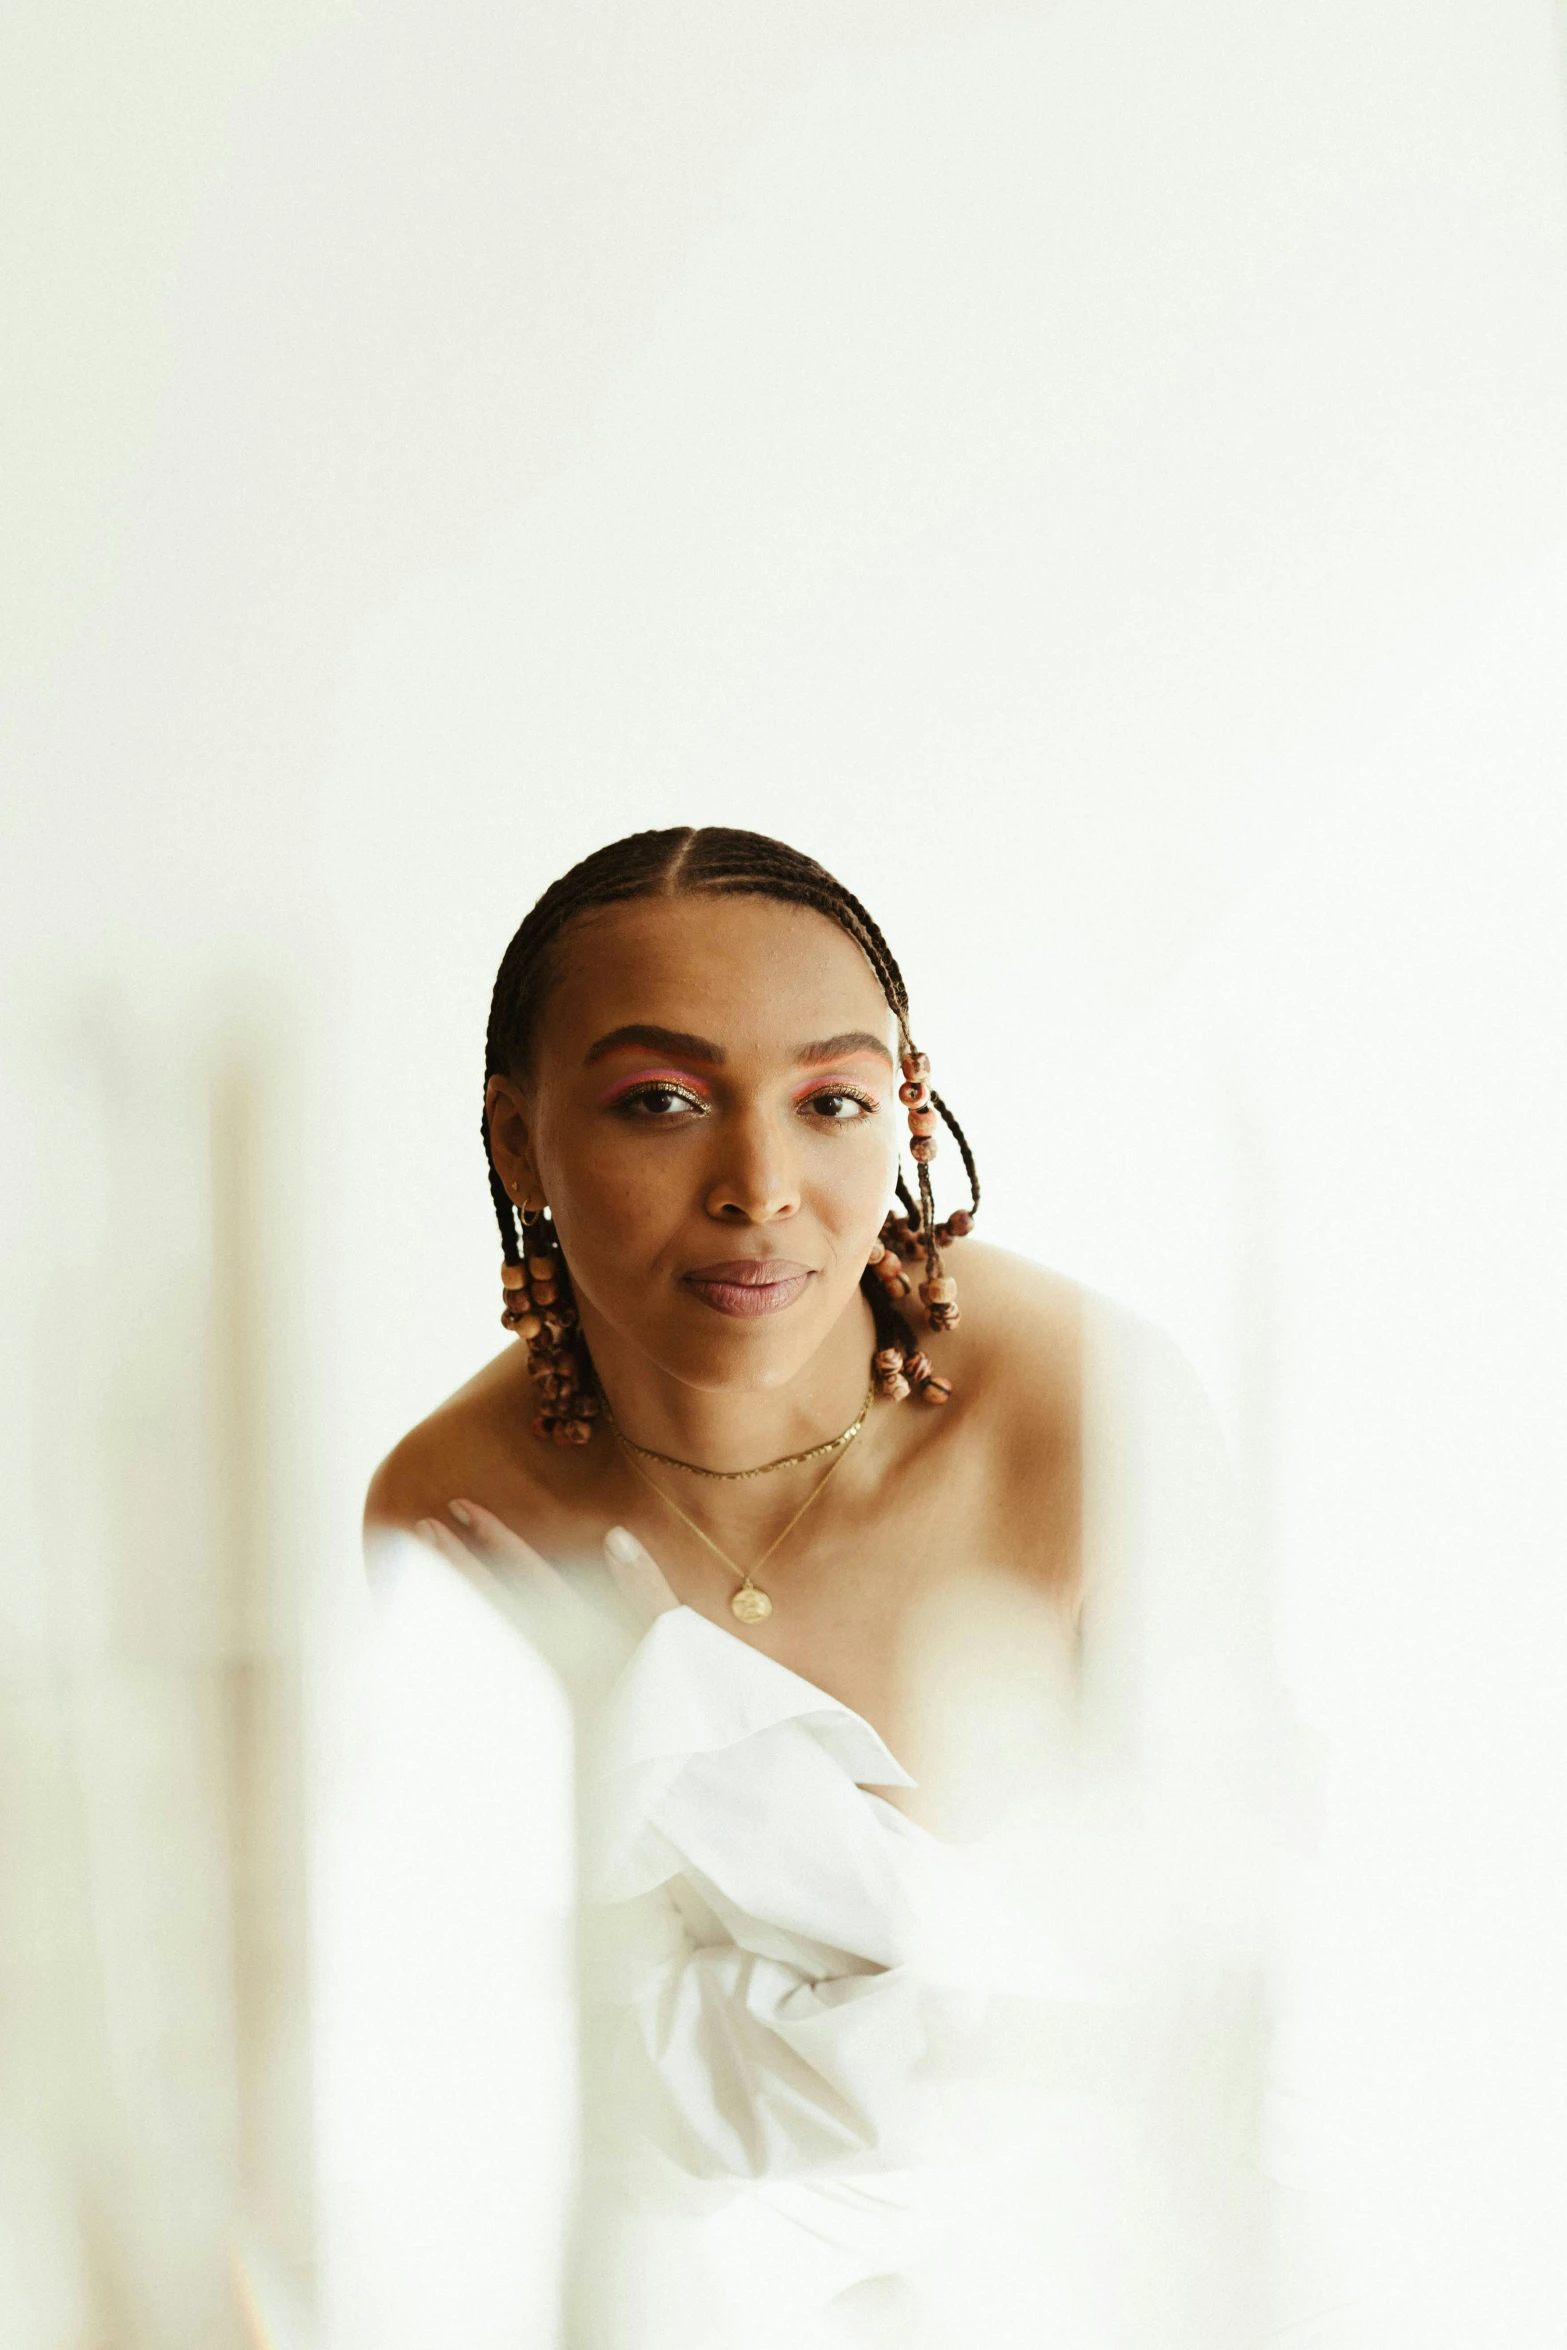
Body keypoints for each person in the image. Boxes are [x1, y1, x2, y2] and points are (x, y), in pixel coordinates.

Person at [364, 827, 1255, 2349]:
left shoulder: (1085, 1417)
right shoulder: (453, 1519)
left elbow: (1220, 1974)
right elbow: (491, 2072)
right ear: (519, 1140)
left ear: (902, 1111)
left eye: (830, 1101)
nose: (759, 1188)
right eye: (660, 1103)